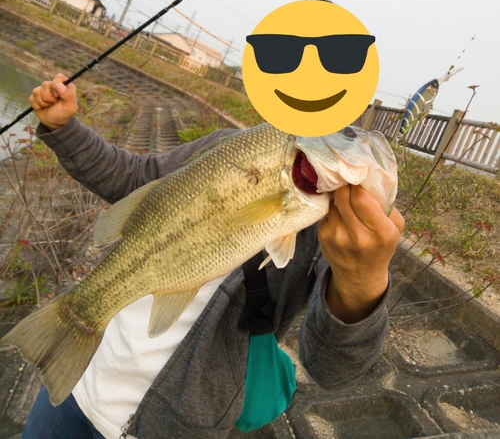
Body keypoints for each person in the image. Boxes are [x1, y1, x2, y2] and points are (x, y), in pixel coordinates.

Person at [23, 74, 404, 438]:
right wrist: (65, 130)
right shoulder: (226, 145)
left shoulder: (332, 231)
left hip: (170, 427)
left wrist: (363, 281)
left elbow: (332, 369)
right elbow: (137, 177)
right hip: (81, 379)